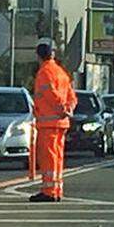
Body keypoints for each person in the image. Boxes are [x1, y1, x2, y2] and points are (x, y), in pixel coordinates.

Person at [30, 41, 77, 202]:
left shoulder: (44, 73)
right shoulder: (61, 72)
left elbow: (50, 94)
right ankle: (56, 189)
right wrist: (68, 110)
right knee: (57, 157)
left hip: (48, 123)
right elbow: (72, 96)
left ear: (38, 56)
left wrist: (61, 109)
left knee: (48, 157)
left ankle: (49, 191)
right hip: (61, 123)